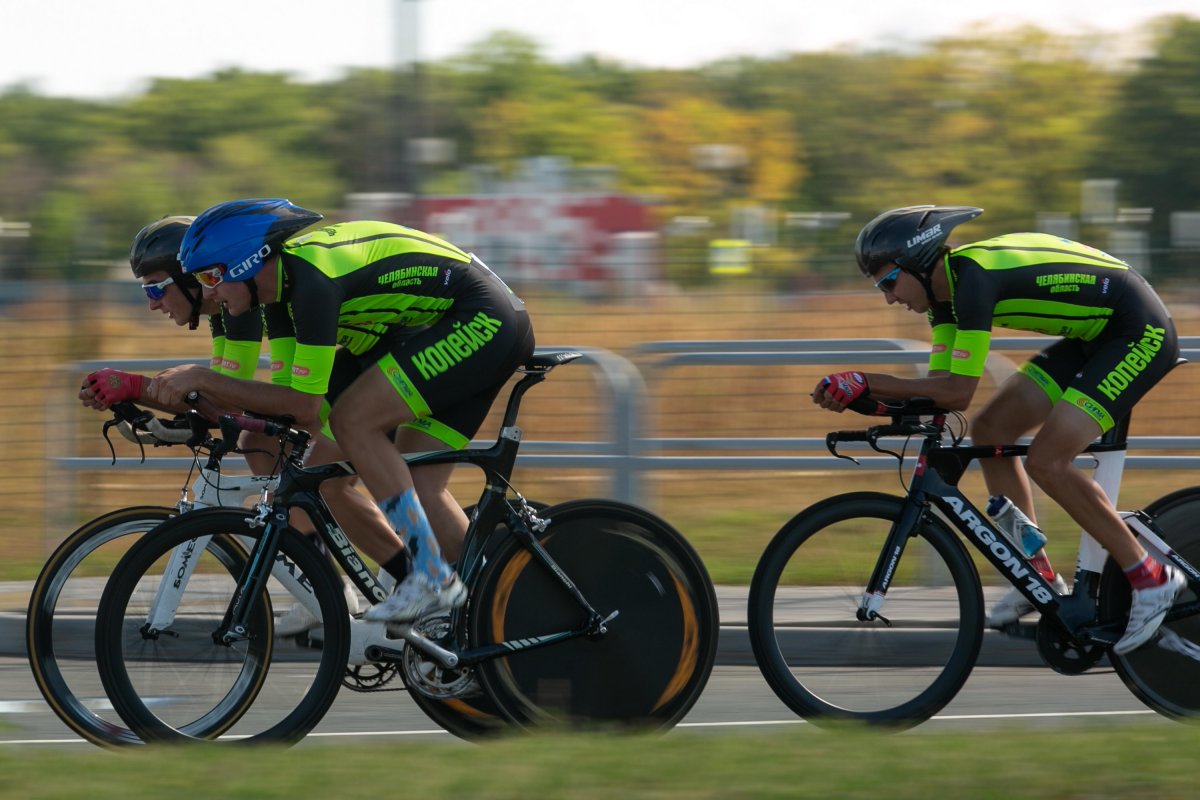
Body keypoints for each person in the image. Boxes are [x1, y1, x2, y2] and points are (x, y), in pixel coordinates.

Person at [812, 205, 1185, 655]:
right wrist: (868, 399)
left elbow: (956, 393)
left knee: (1048, 459)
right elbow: (937, 391)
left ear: (919, 262)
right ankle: (1037, 573)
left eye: (889, 282)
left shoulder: (972, 282)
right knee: (990, 430)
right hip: (1094, 337)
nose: (889, 297)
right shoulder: (943, 300)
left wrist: (867, 380)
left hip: (1137, 331)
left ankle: (1151, 576)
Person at [143, 198, 535, 624]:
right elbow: (288, 409)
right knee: (333, 478)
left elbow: (306, 407)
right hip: (425, 332)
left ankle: (433, 578)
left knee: (353, 423)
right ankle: (485, 620)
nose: (208, 291)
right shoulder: (278, 297)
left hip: (481, 319)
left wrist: (202, 379)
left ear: (249, 263)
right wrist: (166, 400)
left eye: (211, 275)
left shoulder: (312, 285)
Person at [80, 215, 409, 635]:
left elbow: (287, 407)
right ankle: (326, 584)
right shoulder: (224, 311)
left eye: (155, 288)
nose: (151, 303)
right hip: (366, 363)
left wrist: (140, 386)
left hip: (399, 359)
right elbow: (213, 404)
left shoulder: (249, 306)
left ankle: (389, 580)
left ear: (191, 277)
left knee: (285, 454)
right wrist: (134, 393)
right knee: (271, 450)